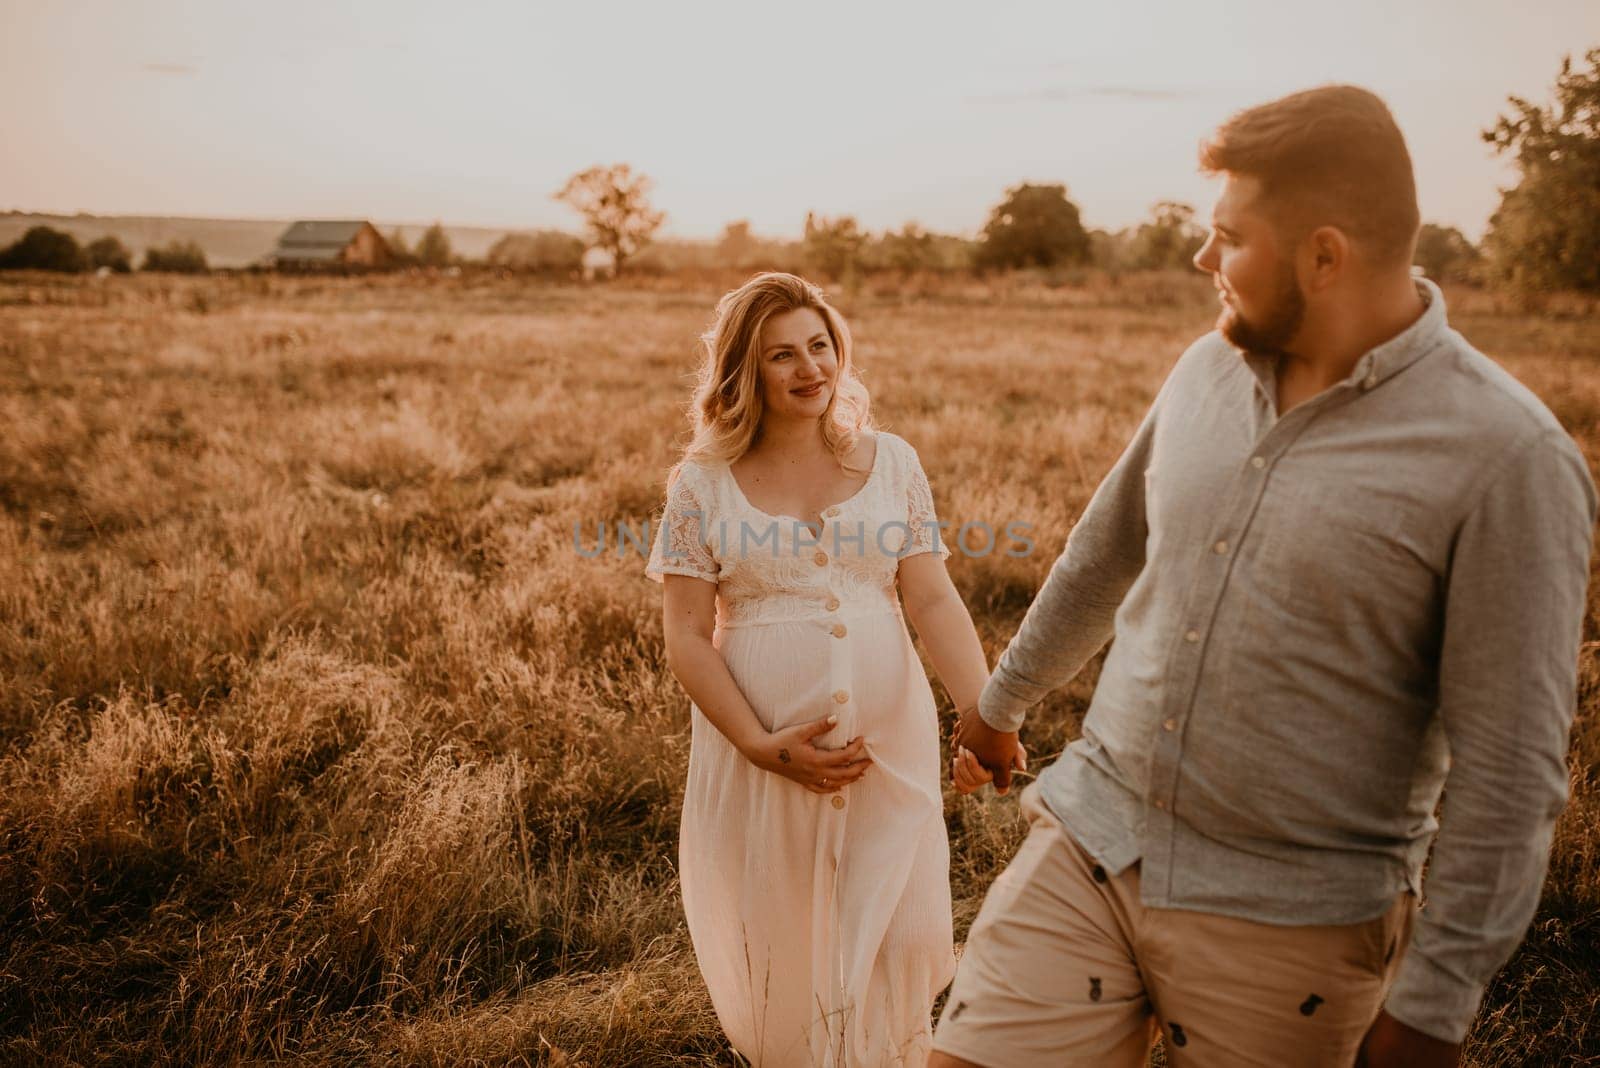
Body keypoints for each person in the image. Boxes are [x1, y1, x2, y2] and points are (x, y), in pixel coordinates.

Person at [934, 85, 1596, 1068]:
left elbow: (1510, 771)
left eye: (1227, 237)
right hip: (1093, 840)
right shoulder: (1204, 369)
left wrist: (1430, 1010)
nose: (1203, 259)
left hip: (1291, 926)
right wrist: (1001, 703)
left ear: (1323, 256)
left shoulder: (1506, 458)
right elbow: (1109, 546)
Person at [646, 272, 1001, 1065]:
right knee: (790, 944)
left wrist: (982, 714)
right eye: (782, 355)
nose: (811, 368)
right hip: (763, 758)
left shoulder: (893, 463)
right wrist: (759, 744)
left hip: (888, 746)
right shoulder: (701, 485)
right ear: (746, 370)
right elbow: (688, 637)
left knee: (904, 935)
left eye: (820, 345)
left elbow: (933, 601)